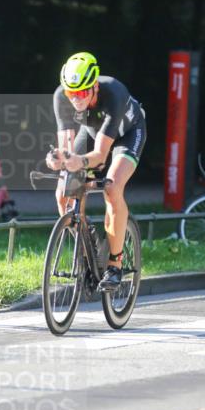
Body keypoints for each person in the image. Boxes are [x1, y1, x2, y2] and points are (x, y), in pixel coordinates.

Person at [46, 52, 146, 292]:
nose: (76, 99)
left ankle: (114, 263)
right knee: (63, 194)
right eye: (72, 94)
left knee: (112, 188)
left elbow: (101, 155)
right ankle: (85, 246)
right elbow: (66, 147)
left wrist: (78, 161)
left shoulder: (114, 93)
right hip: (91, 132)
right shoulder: (62, 95)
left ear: (94, 87)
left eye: (81, 93)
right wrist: (58, 159)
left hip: (127, 133)